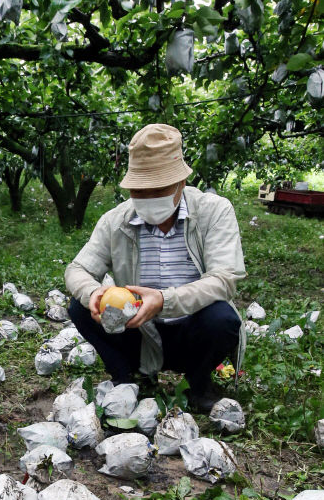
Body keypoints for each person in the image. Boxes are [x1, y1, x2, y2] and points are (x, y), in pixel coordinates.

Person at [65, 123, 245, 413]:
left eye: (158, 189)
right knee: (78, 307)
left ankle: (198, 384)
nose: (148, 198)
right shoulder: (116, 221)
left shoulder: (214, 211)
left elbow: (224, 278)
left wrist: (164, 301)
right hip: (139, 330)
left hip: (192, 329)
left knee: (222, 318)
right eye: (140, 190)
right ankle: (125, 378)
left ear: (181, 183)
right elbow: (77, 269)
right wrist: (93, 293)